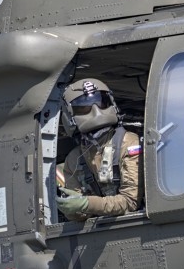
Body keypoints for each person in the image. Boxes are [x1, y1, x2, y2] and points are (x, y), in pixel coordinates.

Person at [55, 76, 142, 221]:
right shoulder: (74, 159)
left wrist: (87, 203)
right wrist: (72, 206)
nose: (96, 111)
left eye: (101, 103)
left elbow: (130, 202)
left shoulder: (128, 142)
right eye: (84, 107)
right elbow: (76, 214)